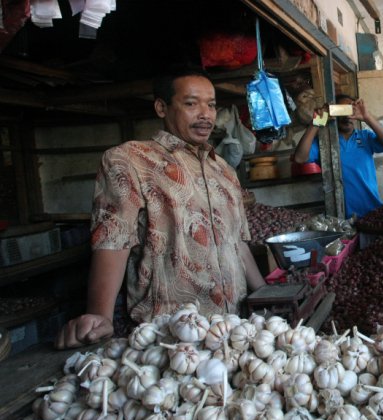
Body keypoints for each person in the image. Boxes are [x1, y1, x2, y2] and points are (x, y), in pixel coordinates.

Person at [56, 69, 266, 349]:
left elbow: (237, 241)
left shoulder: (224, 171)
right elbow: (112, 239)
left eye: (211, 104)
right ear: (161, 107)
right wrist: (100, 315)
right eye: (191, 104)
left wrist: (266, 293)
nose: (205, 114)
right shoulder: (130, 160)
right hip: (168, 337)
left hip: (233, 329)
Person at [293, 94, 383, 219]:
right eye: (341, 111)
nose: (346, 117)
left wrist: (367, 117)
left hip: (371, 210)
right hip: (339, 216)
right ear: (333, 114)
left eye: (350, 110)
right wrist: (316, 123)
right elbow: (299, 158)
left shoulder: (365, 137)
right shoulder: (325, 142)